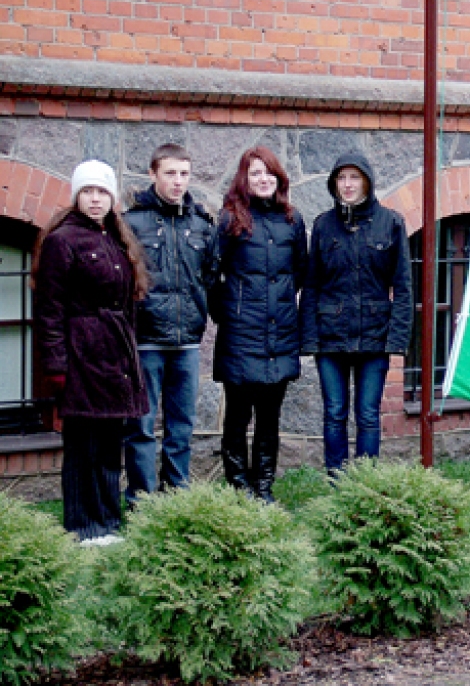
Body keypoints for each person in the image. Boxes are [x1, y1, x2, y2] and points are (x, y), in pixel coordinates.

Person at [33, 161, 150, 544]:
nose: (95, 199)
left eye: (102, 192)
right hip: (81, 355)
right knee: (84, 446)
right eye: (88, 191)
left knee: (109, 444)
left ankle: (108, 522)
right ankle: (83, 527)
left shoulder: (115, 238)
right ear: (77, 196)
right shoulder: (61, 241)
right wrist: (57, 365)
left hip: (114, 357)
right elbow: (49, 310)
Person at [300, 152, 413, 474]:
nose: (347, 185)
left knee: (368, 415)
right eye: (341, 178)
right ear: (334, 183)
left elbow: (403, 286)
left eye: (354, 178)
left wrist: (396, 340)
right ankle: (336, 483)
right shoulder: (324, 225)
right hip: (331, 338)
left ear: (367, 181)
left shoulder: (390, 223)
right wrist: (310, 340)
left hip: (374, 338)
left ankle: (364, 485)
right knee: (334, 413)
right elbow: (311, 286)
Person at [123, 143, 218, 505]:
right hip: (146, 341)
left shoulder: (201, 224)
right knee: (142, 427)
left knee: (182, 427)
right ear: (153, 174)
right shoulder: (131, 223)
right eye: (170, 173)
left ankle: (176, 498)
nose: (178, 181)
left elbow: (211, 276)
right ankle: (142, 502)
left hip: (187, 343)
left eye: (184, 174)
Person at [211, 147, 308, 502]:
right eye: (255, 173)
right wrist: (228, 312)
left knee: (269, 419)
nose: (263, 179)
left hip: (279, 335)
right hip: (241, 337)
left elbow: (300, 272)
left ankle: (264, 489)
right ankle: (239, 489)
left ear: (278, 178)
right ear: (244, 179)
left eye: (268, 173)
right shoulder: (229, 219)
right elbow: (212, 273)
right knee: (237, 418)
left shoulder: (292, 221)